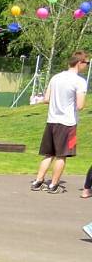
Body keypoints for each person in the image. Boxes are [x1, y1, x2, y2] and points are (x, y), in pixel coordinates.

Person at [30, 50, 88, 194]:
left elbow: (46, 98)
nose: (86, 66)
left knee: (48, 154)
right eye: (86, 63)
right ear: (79, 63)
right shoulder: (79, 81)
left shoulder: (56, 77)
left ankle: (38, 181)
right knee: (62, 155)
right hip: (68, 123)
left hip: (52, 120)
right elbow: (80, 105)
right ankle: (54, 185)